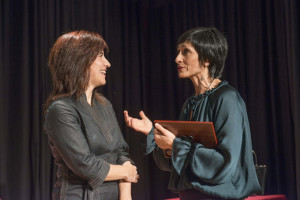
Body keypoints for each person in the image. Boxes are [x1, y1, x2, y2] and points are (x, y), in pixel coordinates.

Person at [124, 27, 261, 199]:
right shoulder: (191, 103)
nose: (177, 59)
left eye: (186, 52)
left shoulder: (227, 98)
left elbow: (224, 163)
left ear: (207, 59)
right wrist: (152, 133)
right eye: (178, 52)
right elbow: (176, 162)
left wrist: (175, 145)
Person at [43, 30, 138, 200]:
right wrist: (126, 171)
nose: (107, 63)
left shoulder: (105, 104)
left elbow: (121, 152)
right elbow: (86, 165)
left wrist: (126, 196)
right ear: (79, 60)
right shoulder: (61, 110)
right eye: (100, 55)